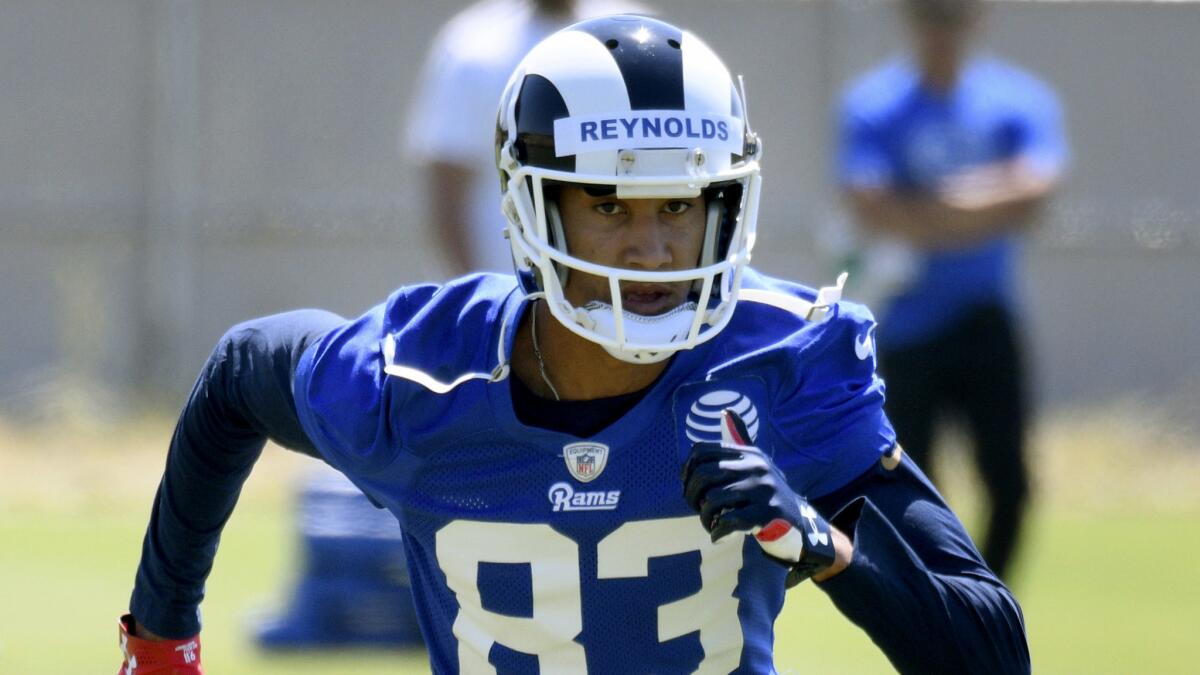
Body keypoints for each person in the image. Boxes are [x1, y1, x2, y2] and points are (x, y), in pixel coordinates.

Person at [117, 14, 1031, 674]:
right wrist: (159, 644)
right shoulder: (419, 374)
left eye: (679, 203)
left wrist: (819, 539)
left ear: (725, 205)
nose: (653, 245)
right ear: (531, 206)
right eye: (608, 205)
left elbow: (993, 651)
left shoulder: (784, 363)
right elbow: (241, 373)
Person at [835, 0, 1068, 580]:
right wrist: (982, 207)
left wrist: (930, 207)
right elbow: (869, 203)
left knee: (1009, 482)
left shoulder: (1016, 100)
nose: (943, 28)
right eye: (931, 15)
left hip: (986, 317)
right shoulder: (874, 104)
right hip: (909, 326)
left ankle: (990, 602)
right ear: (911, 21)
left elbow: (1035, 189)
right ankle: (939, 610)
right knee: (913, 490)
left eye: (954, 14)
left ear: (977, 19)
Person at [405, 0, 644, 275]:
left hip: (625, 281)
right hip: (509, 285)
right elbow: (447, 187)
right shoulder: (473, 47)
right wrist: (473, 296)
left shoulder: (636, 36)